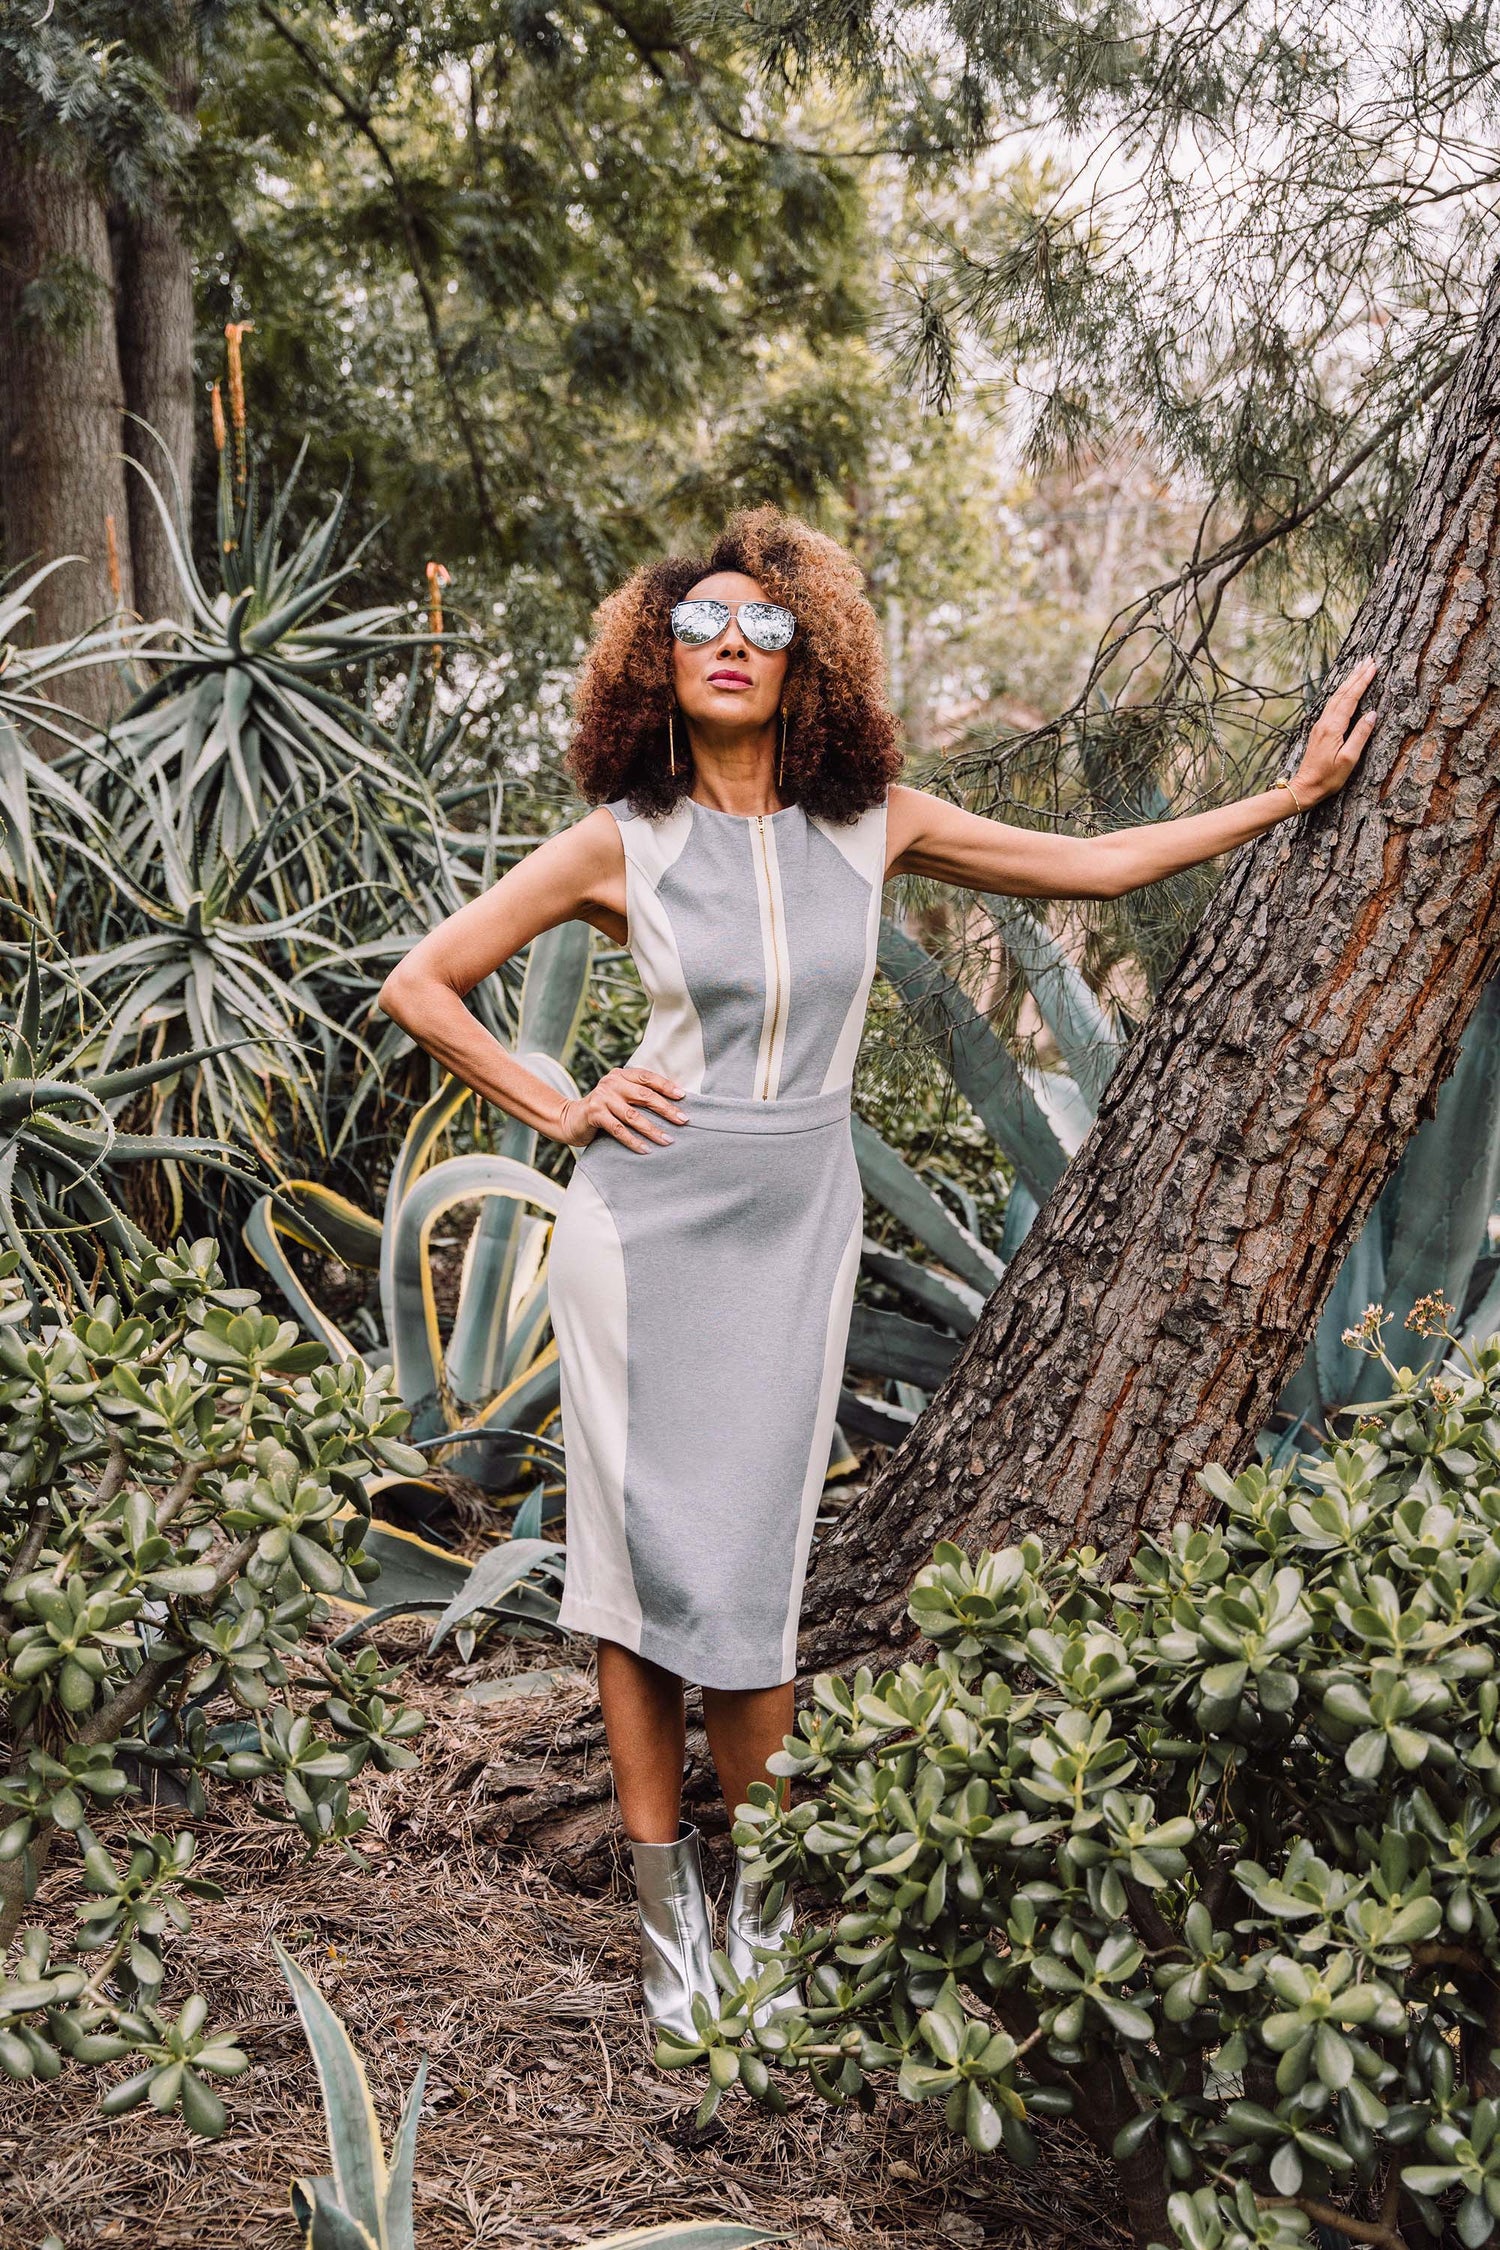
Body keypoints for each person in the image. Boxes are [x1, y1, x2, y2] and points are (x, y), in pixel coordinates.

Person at [377, 505, 1377, 2043]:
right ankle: (670, 1935)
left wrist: (1289, 796)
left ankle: (766, 1917)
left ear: (808, 661)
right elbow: (420, 983)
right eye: (700, 623)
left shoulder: (878, 822)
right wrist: (561, 1098)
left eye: (763, 626)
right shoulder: (617, 842)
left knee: (754, 1581)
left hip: (795, 1233)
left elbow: (1095, 866)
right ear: (658, 660)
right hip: (639, 1237)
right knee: (641, 1583)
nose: (730, 642)